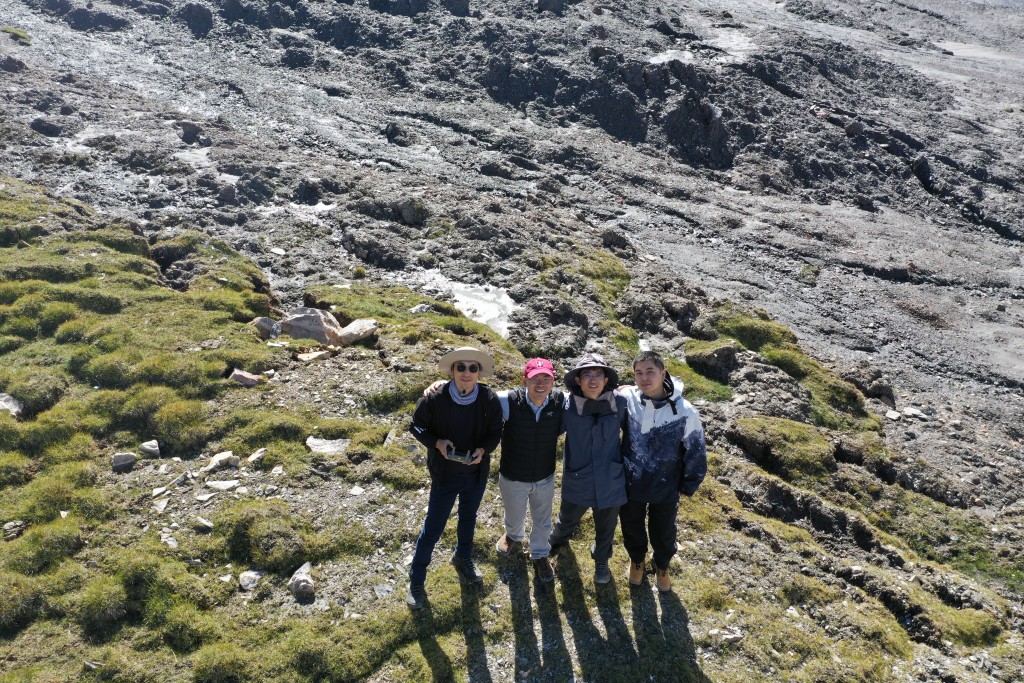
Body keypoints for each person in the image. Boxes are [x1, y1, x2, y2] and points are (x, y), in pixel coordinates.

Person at [406, 347, 503, 609]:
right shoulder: (434, 398)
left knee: (468, 518)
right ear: (452, 370)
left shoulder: (488, 398)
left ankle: (463, 558)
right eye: (461, 367)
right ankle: (416, 579)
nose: (467, 373)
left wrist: (485, 450)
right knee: (434, 526)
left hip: (475, 473)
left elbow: (496, 431)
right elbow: (415, 426)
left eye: (473, 368)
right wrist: (436, 442)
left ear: (479, 372)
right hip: (445, 474)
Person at [618, 350, 707, 592]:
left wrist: (687, 485)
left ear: (663, 373)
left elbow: (695, 451)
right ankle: (637, 560)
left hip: (666, 485)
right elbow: (607, 394)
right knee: (631, 524)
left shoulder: (685, 411)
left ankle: (662, 565)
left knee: (664, 530)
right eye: (638, 373)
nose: (644, 378)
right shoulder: (628, 398)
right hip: (631, 481)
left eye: (650, 372)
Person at [548, 353, 628, 585]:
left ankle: (601, 558)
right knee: (567, 518)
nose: (593, 380)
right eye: (587, 375)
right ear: (577, 381)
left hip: (611, 478)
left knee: (607, 526)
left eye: (598, 375)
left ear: (606, 380)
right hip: (578, 476)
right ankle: (556, 539)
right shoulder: (566, 405)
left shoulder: (621, 403)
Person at [494, 358, 564, 583]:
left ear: (553, 382)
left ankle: (540, 553)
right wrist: (440, 384)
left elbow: (591, 395)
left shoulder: (560, 401)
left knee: (543, 519)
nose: (541, 384)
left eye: (547, 379)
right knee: (514, 515)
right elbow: (476, 393)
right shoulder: (508, 400)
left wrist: (624, 388)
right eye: (535, 379)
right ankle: (513, 535)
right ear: (525, 380)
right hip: (513, 476)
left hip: (545, 475)